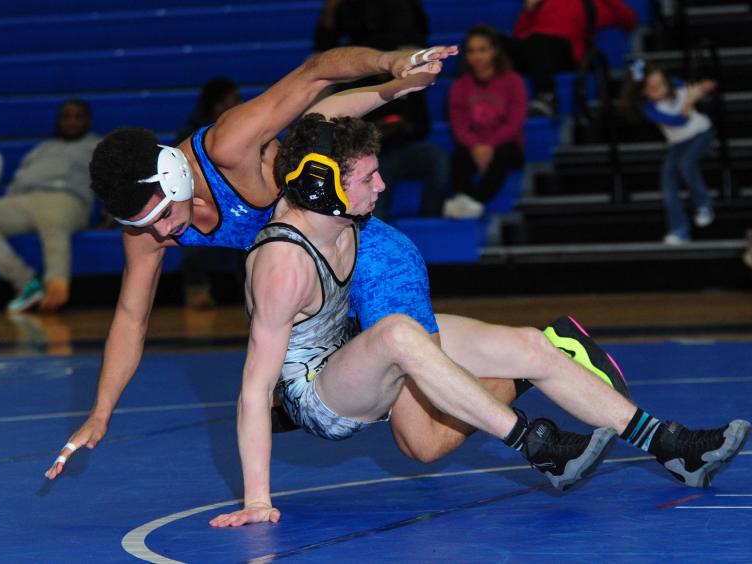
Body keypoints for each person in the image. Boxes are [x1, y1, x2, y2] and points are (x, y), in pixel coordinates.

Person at [44, 48, 708, 494]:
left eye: (164, 216)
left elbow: (314, 84)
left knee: (419, 438)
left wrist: (389, 71)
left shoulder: (231, 145)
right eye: (146, 229)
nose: (165, 236)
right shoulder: (148, 231)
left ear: (177, 173)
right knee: (378, 425)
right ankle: (544, 354)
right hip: (313, 286)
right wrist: (101, 412)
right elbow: (131, 317)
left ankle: (542, 379)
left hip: (366, 251)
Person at [209, 114, 750, 527]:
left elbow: (315, 126)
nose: (382, 187)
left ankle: (673, 447)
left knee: (533, 346)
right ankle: (535, 445)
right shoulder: (283, 265)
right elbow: (254, 390)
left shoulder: (341, 215)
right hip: (319, 397)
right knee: (402, 342)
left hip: (349, 348)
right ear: (323, 185)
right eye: (370, 177)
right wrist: (257, 500)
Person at [314, 0, 451, 220]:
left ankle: (430, 222)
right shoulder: (350, 84)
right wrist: (374, 132)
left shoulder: (409, 78)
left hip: (405, 145)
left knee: (438, 160)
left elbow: (422, 126)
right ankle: (368, 229)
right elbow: (323, 42)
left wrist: (405, 127)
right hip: (370, 152)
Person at [0, 99, 100, 313]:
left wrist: (111, 213)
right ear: (59, 121)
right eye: (67, 116)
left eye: (78, 116)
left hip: (66, 198)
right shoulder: (42, 149)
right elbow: (20, 178)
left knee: (54, 223)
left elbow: (112, 180)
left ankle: (57, 284)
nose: (72, 122)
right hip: (25, 199)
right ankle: (26, 282)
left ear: (88, 121)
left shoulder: (98, 146)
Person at [619, 59, 716, 244]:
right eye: (654, 88)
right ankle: (679, 229)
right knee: (668, 183)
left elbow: (694, 90)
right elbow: (679, 121)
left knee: (686, 164)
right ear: (644, 93)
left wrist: (702, 89)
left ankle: (704, 204)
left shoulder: (676, 84)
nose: (662, 89)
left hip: (701, 132)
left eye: (662, 83)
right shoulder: (650, 110)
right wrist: (689, 101)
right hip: (679, 142)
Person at [443, 25, 528, 219]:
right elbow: (459, 125)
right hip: (473, 147)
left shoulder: (513, 81)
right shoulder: (460, 86)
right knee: (459, 158)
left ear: (494, 51)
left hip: (505, 145)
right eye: (472, 51)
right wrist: (476, 147)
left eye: (483, 50)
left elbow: (515, 121)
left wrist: (489, 146)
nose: (477, 56)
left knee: (503, 156)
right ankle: (466, 200)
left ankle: (473, 202)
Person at [174, 77, 244, 308]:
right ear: (214, 105)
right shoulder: (189, 133)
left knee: (255, 227)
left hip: (238, 198)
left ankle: (252, 289)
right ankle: (196, 289)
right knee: (190, 227)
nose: (234, 106)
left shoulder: (244, 130)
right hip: (201, 199)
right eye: (229, 101)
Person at [509, 0, 638, 116]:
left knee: (538, 41)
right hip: (534, 51)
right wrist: (529, 10)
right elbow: (520, 35)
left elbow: (630, 20)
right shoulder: (543, 3)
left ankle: (547, 97)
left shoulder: (593, 4)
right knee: (496, 42)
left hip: (566, 54)